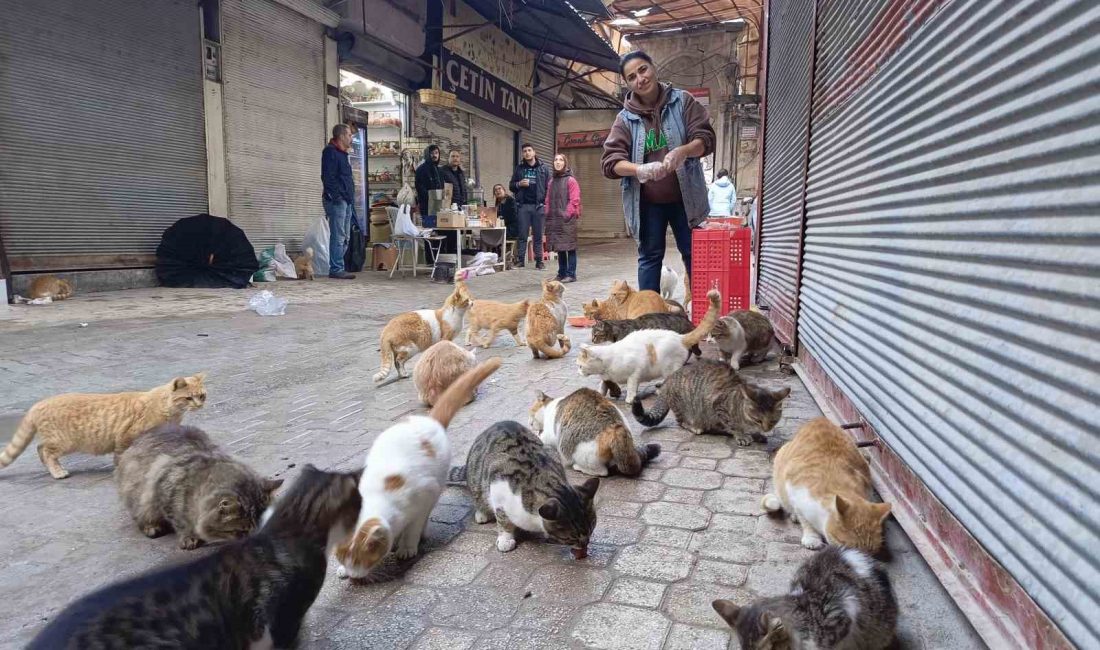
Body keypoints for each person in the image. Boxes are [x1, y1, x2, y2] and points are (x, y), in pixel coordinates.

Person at [601, 50, 715, 293]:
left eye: (643, 70)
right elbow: (610, 162)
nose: (640, 79)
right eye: (632, 77)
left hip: (687, 200)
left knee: (694, 255)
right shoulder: (625, 119)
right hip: (648, 204)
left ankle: (703, 313)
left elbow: (705, 138)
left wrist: (682, 151)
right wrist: (639, 169)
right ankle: (649, 320)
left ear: (653, 67)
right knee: (650, 258)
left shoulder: (683, 101)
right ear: (627, 83)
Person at [321, 124, 357, 279]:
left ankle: (338, 264)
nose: (351, 138)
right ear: (341, 136)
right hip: (338, 201)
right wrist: (337, 197)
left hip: (347, 200)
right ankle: (336, 268)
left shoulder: (343, 154)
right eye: (349, 135)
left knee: (346, 236)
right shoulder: (330, 153)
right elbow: (327, 177)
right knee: (338, 235)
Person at [509, 143, 551, 269]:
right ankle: (521, 260)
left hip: (538, 206)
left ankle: (539, 261)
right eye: (524, 151)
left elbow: (549, 187)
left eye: (529, 150)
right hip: (523, 206)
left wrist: (545, 203)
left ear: (534, 152)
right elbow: (511, 185)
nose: (527, 153)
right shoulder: (519, 169)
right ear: (523, 154)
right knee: (522, 235)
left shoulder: (544, 168)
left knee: (538, 235)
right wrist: (519, 184)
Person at [544, 153, 581, 282]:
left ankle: (571, 274)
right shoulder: (551, 182)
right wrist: (547, 212)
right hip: (554, 219)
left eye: (561, 160)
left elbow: (575, 200)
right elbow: (547, 199)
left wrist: (566, 214)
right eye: (555, 160)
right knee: (559, 248)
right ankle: (561, 273)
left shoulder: (571, 180)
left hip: (567, 219)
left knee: (570, 247)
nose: (558, 162)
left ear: (565, 163)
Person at [438, 150, 468, 255]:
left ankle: (453, 259)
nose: (455, 158)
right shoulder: (442, 171)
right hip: (447, 208)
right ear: (448, 158)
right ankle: (444, 260)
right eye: (453, 156)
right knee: (446, 235)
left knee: (455, 235)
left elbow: (463, 189)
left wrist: (465, 204)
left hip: (459, 208)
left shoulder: (461, 173)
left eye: (457, 156)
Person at [414, 144, 444, 225]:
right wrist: (431, 198)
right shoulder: (421, 170)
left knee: (440, 229)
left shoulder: (439, 170)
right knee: (429, 229)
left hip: (439, 205)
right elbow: (419, 188)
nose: (434, 155)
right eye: (432, 153)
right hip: (427, 206)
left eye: (436, 153)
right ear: (427, 154)